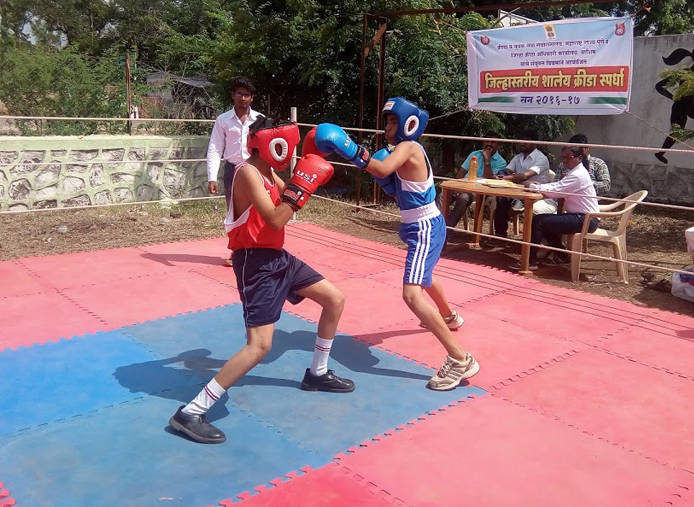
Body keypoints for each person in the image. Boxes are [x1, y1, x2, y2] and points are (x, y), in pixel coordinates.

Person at [169, 118, 355, 445]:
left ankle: (317, 373)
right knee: (260, 346)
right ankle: (190, 413)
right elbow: (276, 216)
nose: (288, 152)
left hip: (278, 258)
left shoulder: (268, 171)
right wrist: (303, 185)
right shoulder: (247, 173)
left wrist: (314, 165)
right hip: (255, 264)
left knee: (334, 299)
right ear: (262, 142)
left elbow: (294, 196)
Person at [314, 97, 479, 391]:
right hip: (422, 225)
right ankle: (449, 316)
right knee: (424, 277)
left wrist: (348, 147)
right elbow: (387, 176)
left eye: (393, 122)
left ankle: (459, 358)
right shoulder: (404, 151)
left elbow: (379, 168)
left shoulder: (409, 147)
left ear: (408, 124)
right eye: (387, 122)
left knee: (412, 295)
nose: (388, 128)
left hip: (425, 226)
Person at [509, 145, 600, 271]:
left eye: (569, 157)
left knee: (538, 221)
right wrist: (540, 186)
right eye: (563, 158)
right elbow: (558, 186)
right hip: (582, 217)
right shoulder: (574, 172)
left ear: (579, 158)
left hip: (585, 219)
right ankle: (562, 256)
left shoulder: (578, 175)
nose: (565, 161)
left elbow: (556, 191)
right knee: (544, 222)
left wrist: (533, 186)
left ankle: (529, 261)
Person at [206, 77, 264, 266]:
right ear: (233, 95)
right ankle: (237, 253)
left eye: (247, 95)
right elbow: (215, 148)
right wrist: (212, 177)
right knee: (235, 213)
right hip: (233, 171)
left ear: (252, 98)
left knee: (260, 210)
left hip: (255, 170)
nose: (243, 98)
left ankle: (258, 251)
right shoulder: (223, 120)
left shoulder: (260, 120)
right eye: (240, 94)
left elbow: (266, 148)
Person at [492, 131, 553, 240]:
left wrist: (505, 178)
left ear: (535, 143)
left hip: (535, 192)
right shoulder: (518, 157)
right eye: (521, 141)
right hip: (517, 190)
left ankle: (517, 203)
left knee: (503, 200)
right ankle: (500, 235)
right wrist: (501, 175)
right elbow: (507, 170)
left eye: (526, 141)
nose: (522, 144)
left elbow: (525, 176)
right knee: (501, 195)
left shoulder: (541, 158)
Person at [445, 134, 507, 228]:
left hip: (479, 191)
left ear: (498, 145)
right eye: (487, 141)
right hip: (464, 184)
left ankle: (447, 228)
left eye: (493, 142)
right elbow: (461, 172)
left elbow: (489, 178)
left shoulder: (501, 162)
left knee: (463, 198)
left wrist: (487, 160)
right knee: (443, 195)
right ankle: (435, 225)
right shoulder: (474, 154)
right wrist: (457, 186)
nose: (489, 144)